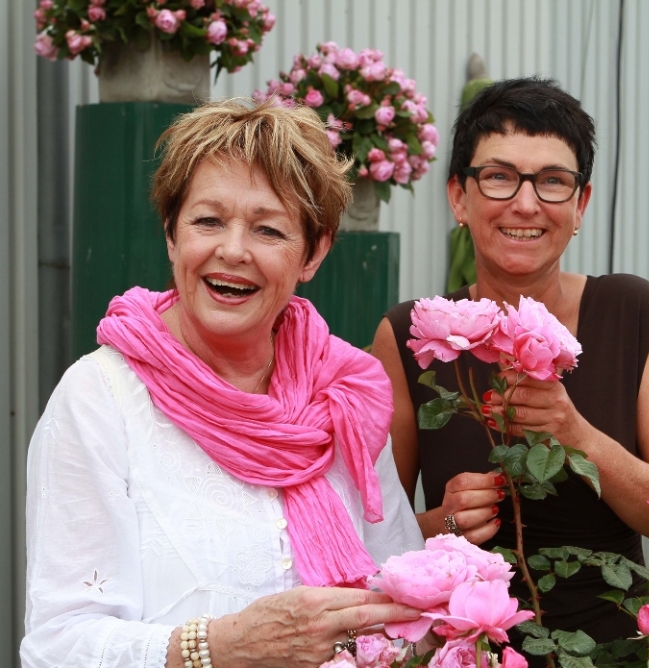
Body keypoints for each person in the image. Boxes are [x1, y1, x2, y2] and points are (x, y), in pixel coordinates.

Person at [22, 99, 425, 668]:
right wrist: (220, 648)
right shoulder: (99, 398)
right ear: (171, 234)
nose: (232, 251)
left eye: (268, 229)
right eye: (207, 221)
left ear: (314, 251)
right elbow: (57, 645)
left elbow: (398, 595)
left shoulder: (343, 394)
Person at [372, 77, 649, 647]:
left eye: (552, 182)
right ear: (459, 196)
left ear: (580, 204)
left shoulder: (631, 313)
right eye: (500, 177)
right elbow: (364, 538)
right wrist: (444, 525)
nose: (525, 204)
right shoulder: (407, 335)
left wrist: (578, 436)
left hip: (609, 653)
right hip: (464, 652)